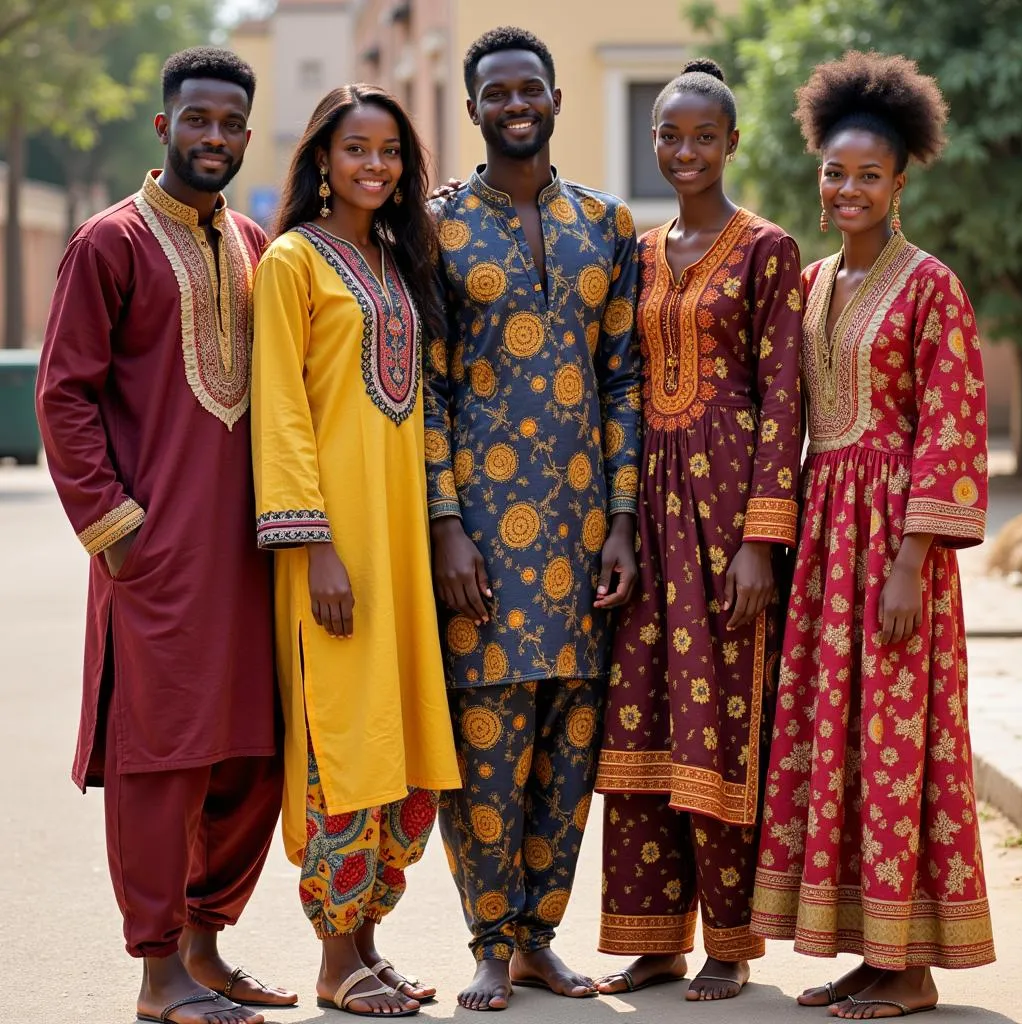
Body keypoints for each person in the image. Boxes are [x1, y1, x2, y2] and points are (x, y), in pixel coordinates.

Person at [36, 48, 296, 1024]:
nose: (216, 137)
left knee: (250, 756)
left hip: (247, 554)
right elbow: (63, 394)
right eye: (199, 120)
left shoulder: (258, 247)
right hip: (154, 556)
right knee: (162, 760)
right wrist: (118, 531)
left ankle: (205, 946)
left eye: (232, 123)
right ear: (164, 126)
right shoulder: (110, 243)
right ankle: (158, 976)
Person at [750, 51, 996, 1018]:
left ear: (899, 183)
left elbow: (953, 429)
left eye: (868, 175)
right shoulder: (812, 286)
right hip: (823, 540)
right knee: (834, 738)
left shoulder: (933, 287)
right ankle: (869, 948)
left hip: (896, 549)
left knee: (897, 739)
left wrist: (908, 563)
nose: (846, 188)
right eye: (834, 172)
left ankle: (912, 967)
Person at [424, 25, 642, 1013]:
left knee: (569, 742)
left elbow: (625, 378)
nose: (515, 103)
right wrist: (443, 520)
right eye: (495, 92)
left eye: (530, 88)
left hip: (584, 533)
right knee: (484, 745)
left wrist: (627, 520)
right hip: (479, 535)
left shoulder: (606, 222)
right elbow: (421, 386)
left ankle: (538, 939)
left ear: (553, 97)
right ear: (472, 109)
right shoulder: (432, 227)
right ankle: (486, 938)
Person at [592, 59, 803, 1003]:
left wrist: (763, 537)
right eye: (669, 136)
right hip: (652, 504)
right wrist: (623, 526)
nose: (685, 151)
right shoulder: (639, 253)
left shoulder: (768, 250)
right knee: (638, 718)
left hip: (727, 521)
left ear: (732, 142)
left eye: (703, 136)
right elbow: (629, 392)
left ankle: (728, 940)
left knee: (720, 719)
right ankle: (652, 938)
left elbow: (782, 398)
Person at [250, 84, 462, 1019]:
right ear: (322, 160)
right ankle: (336, 965)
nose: (373, 167)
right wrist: (314, 544)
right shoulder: (292, 260)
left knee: (394, 734)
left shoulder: (394, 257)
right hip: (332, 546)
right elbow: (283, 411)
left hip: (401, 541)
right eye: (355, 150)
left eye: (388, 153)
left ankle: (367, 947)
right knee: (342, 737)